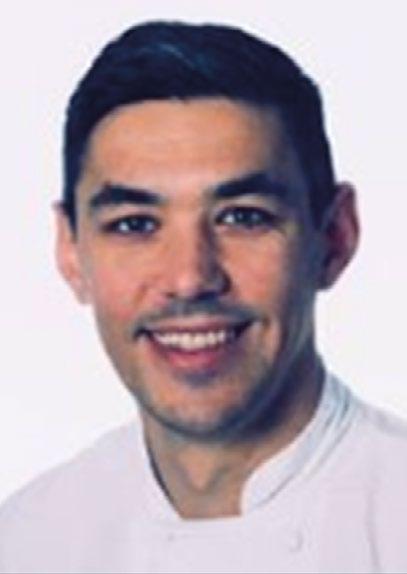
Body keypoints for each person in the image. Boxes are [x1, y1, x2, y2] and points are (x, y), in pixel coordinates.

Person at [0, 20, 406, 574]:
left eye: (243, 218)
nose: (190, 277)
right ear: (71, 252)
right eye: (134, 224)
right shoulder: (27, 542)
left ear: (334, 237)